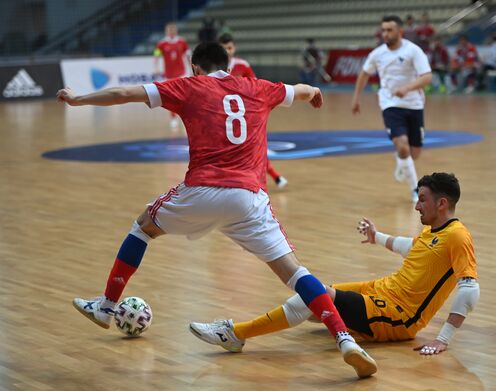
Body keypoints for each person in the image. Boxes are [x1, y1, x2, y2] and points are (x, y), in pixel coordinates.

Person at [56, 42, 377, 379]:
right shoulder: (258, 88)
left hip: (203, 191)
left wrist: (79, 100)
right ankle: (344, 339)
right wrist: (313, 93)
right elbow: (300, 89)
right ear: (229, 63)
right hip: (250, 199)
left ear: (195, 67)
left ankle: (107, 306)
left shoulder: (188, 86)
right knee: (295, 273)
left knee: (143, 226)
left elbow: (123, 93)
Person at [190, 172, 480, 358]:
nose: (417, 206)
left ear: (442, 204)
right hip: (379, 291)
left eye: (423, 200)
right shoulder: (434, 231)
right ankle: (349, 328)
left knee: (314, 296)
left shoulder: (457, 236)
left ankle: (235, 333)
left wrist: (443, 339)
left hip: (398, 315)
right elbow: (413, 248)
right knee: (313, 303)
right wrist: (376, 237)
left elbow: (470, 291)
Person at [351, 15, 432, 203]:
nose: (385, 34)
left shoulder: (413, 51)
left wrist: (407, 88)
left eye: (389, 30)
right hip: (390, 105)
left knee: (414, 153)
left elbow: (427, 77)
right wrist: (356, 98)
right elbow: (363, 75)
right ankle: (415, 189)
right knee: (403, 146)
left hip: (414, 104)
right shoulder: (377, 54)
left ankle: (402, 162)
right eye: (383, 30)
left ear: (400, 32)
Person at [218, 33, 288, 189]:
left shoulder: (243, 65)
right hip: (221, 116)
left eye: (229, 48)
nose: (227, 51)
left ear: (234, 48)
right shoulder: (214, 68)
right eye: (224, 48)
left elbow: (256, 87)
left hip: (243, 115)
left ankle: (272, 177)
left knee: (254, 149)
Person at [154, 22, 190, 129]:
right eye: (169, 30)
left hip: (182, 74)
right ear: (166, 31)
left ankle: (186, 117)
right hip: (169, 75)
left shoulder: (182, 42)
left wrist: (191, 68)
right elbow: (156, 56)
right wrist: (156, 67)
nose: (171, 32)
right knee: (171, 98)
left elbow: (188, 56)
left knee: (184, 97)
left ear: (176, 30)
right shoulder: (161, 44)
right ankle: (173, 118)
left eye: (173, 29)